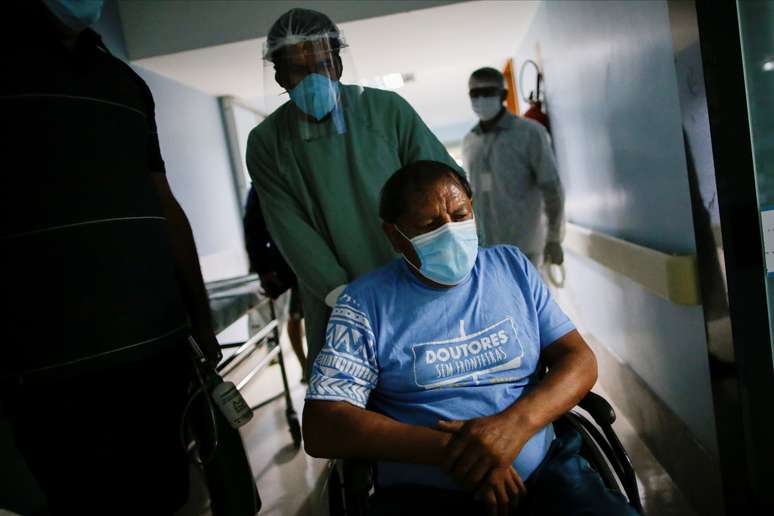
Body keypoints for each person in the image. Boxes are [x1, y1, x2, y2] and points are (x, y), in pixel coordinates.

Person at [303, 161, 638, 516]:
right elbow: (323, 424)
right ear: (394, 235)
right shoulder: (364, 304)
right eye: (430, 225)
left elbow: (579, 359)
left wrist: (512, 429)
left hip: (547, 476)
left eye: (460, 215)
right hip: (423, 493)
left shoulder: (511, 269)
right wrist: (461, 453)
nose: (450, 231)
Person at [1, 1, 224, 512]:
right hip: (49, 366)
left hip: (155, 348)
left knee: (170, 492)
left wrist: (200, 317)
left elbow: (164, 203)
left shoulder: (123, 84)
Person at [246, 8, 462, 377]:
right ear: (279, 75)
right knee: (363, 409)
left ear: (339, 65)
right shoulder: (267, 142)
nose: (313, 77)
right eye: (299, 69)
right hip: (338, 302)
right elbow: (289, 228)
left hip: (421, 282)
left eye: (323, 63)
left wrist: (455, 264)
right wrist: (341, 296)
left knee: (440, 387)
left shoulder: (386, 111)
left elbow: (447, 188)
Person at [462, 67, 565, 267]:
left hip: (525, 248)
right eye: (475, 93)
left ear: (504, 95)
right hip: (485, 251)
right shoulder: (469, 142)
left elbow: (552, 188)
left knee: (528, 298)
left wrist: (554, 238)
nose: (481, 98)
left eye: (488, 92)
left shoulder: (530, 133)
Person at [244, 186, 307, 377]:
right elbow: (253, 227)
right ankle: (306, 367)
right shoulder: (262, 182)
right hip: (289, 260)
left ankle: (311, 366)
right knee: (296, 316)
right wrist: (263, 269)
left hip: (306, 254)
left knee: (315, 315)